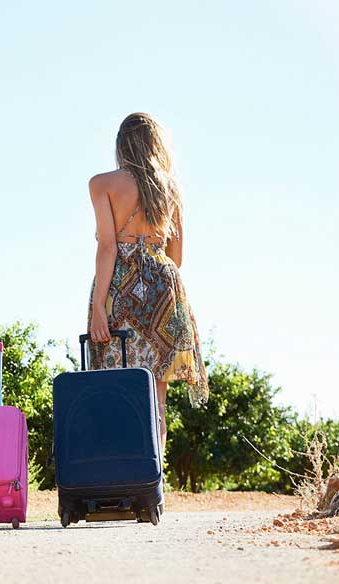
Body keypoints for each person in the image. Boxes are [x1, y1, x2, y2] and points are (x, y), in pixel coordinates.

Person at [88, 112, 209, 446]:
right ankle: (152, 483)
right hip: (163, 289)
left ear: (121, 145)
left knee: (113, 384)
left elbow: (108, 248)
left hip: (118, 289)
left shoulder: (102, 184)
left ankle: (119, 476)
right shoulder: (171, 188)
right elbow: (177, 258)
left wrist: (99, 305)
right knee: (156, 395)